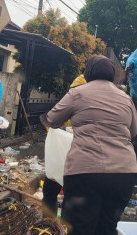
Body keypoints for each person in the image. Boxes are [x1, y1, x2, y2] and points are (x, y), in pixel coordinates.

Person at [40, 55, 137, 234]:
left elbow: (52, 119)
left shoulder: (78, 92)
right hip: (123, 174)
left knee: (79, 227)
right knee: (107, 227)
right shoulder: (126, 98)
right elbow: (133, 132)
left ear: (89, 72)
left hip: (85, 173)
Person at [42, 73, 87, 219]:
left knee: (69, 196)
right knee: (50, 191)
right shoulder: (70, 100)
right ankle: (50, 224)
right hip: (63, 155)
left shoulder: (90, 106)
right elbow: (53, 120)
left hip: (77, 159)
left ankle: (62, 227)